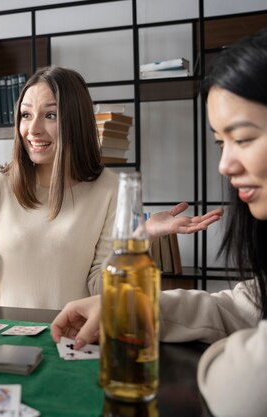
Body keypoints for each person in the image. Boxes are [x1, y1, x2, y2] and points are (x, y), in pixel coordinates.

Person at [51, 29, 267, 417]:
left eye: (245, 139)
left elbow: (244, 391)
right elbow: (240, 306)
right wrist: (124, 307)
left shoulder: (108, 185)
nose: (224, 166)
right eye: (220, 143)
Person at [0, 66, 221, 310]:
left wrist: (140, 236)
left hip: (70, 339)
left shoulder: (109, 188)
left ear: (75, 120)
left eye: (51, 115)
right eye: (26, 115)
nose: (33, 129)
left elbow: (100, 288)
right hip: (4, 337)